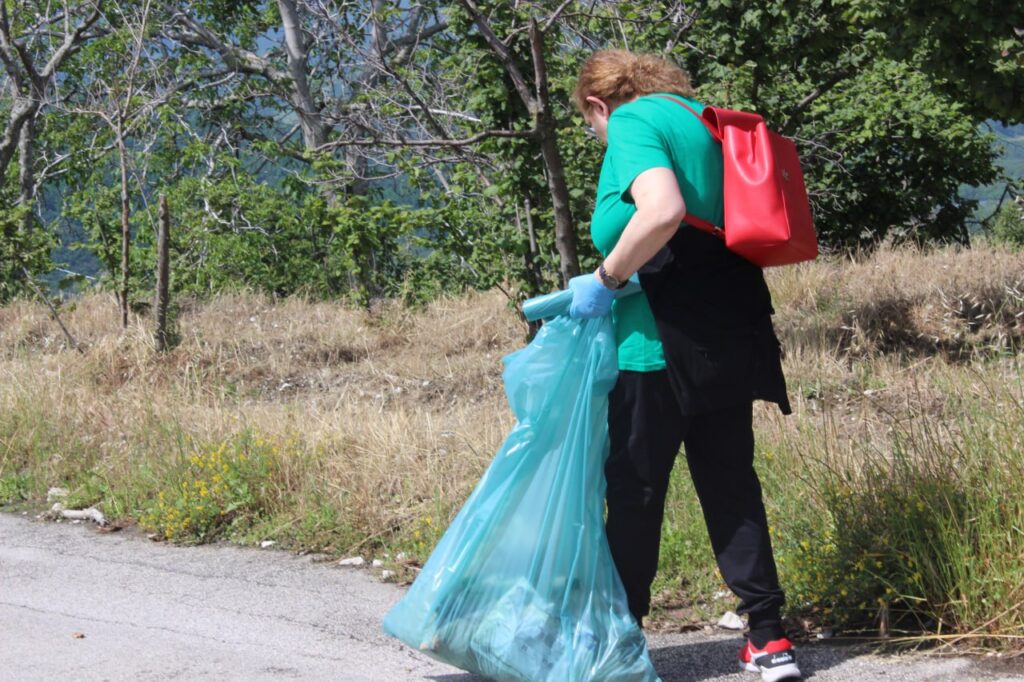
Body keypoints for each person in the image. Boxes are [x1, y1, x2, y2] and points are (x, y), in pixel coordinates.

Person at [568, 49, 802, 682]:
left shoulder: (635, 124)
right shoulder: (707, 123)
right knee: (731, 485)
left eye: (592, 125)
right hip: (728, 337)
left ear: (598, 105)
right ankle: (769, 639)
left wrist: (605, 278)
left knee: (637, 491)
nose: (599, 138)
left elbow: (663, 210)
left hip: (654, 348)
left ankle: (621, 644)